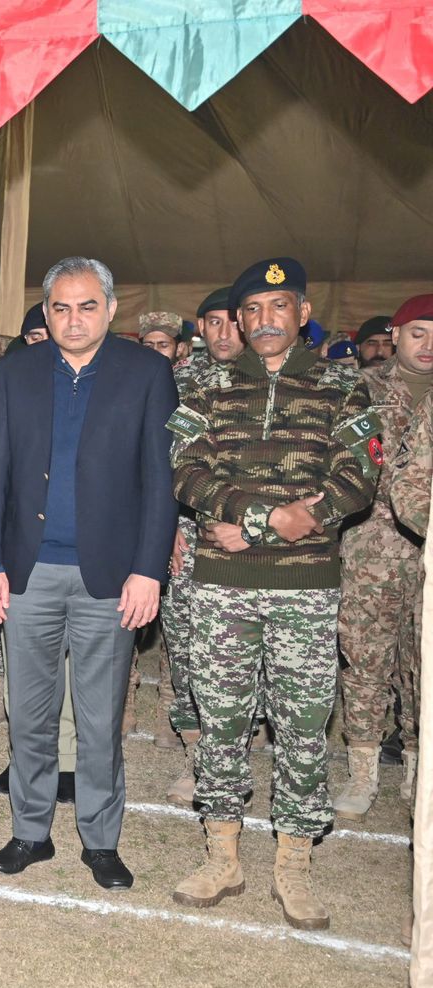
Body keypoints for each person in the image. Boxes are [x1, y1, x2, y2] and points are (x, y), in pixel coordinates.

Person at [169, 258, 379, 930]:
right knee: (222, 720)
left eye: (277, 307)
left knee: (302, 725)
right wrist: (273, 518)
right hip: (221, 587)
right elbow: (185, 470)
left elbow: (358, 477)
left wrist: (274, 527)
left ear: (302, 312)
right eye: (251, 310)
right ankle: (223, 854)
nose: (263, 321)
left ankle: (293, 863)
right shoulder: (206, 387)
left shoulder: (341, 389)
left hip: (304, 588)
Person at [0, 256, 177, 891]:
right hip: (28, 574)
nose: (73, 319)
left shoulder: (147, 372)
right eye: (60, 307)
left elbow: (160, 483)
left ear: (111, 310)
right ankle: (30, 833)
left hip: (111, 579)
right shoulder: (18, 370)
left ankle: (101, 841)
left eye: (87, 306)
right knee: (29, 714)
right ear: (47, 310)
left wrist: (148, 571)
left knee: (98, 719)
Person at [158, 287, 246, 804]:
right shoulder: (178, 383)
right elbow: (161, 462)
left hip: (258, 547)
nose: (223, 333)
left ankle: (238, 749)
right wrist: (166, 526)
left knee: (248, 656)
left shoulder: (272, 381)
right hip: (190, 540)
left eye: (231, 322)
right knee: (190, 648)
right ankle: (200, 758)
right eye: (212, 323)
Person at [347, 294, 433, 809]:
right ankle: (362, 771)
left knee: (424, 665)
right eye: (417, 332)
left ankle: (419, 773)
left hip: (430, 553)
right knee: (365, 659)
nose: (428, 345)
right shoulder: (362, 390)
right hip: (371, 550)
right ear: (394, 336)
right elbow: (355, 470)